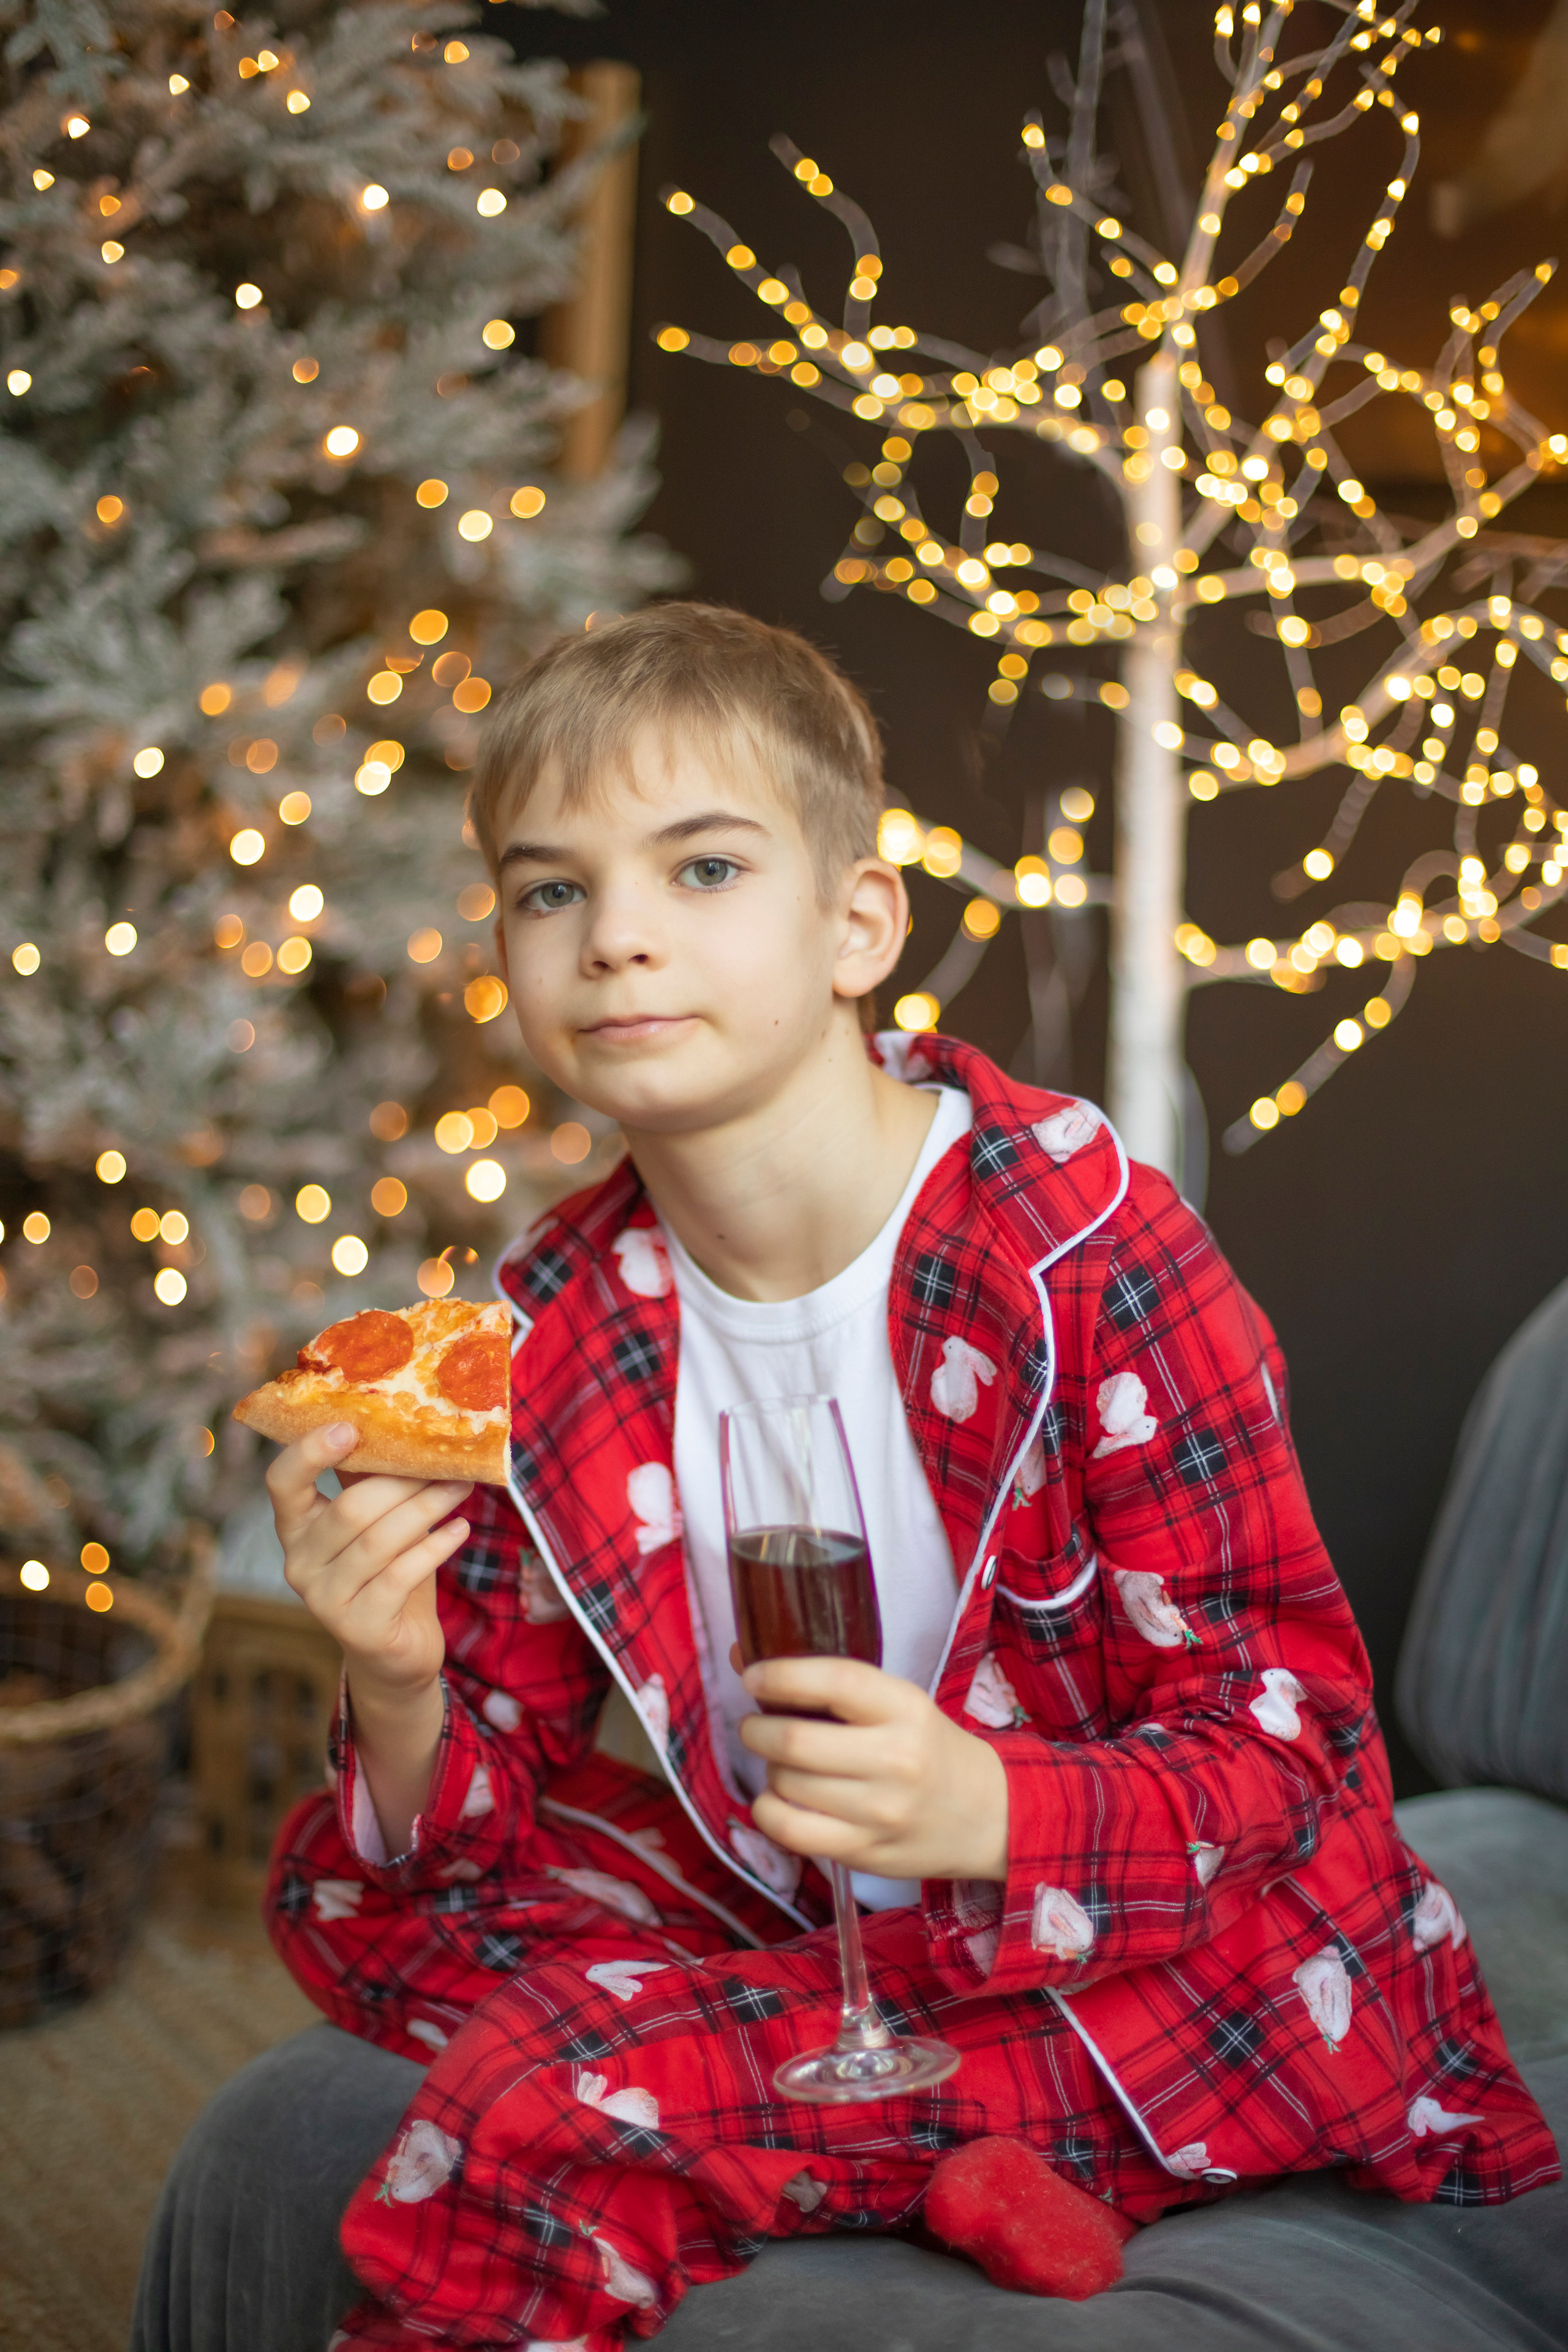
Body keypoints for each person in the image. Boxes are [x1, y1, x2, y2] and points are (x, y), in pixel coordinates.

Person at [215, 608, 1561, 2347]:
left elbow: (1292, 1745)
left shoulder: (1089, 1253)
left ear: (859, 927)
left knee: (548, 2089)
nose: (616, 936)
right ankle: (948, 2141)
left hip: (1173, 1944)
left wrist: (996, 1812)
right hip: (834, 1926)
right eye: (551, 891)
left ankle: (958, 2106)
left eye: (699, 870)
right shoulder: (552, 1325)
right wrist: (398, 1678)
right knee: (342, 1893)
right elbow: (463, 1823)